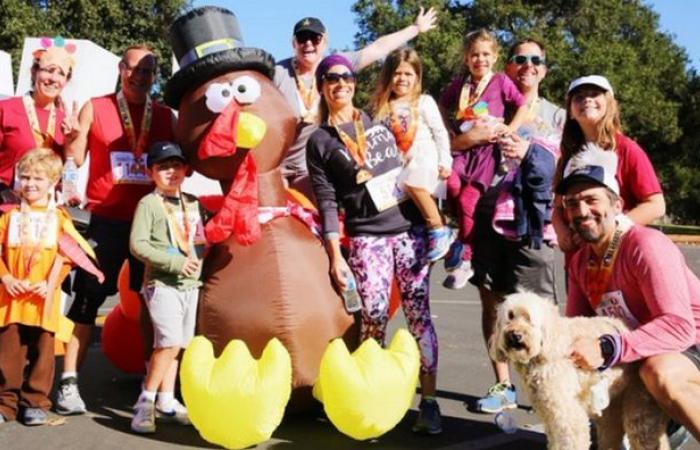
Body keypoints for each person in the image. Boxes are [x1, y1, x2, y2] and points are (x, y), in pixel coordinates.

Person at [307, 55, 442, 434]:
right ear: (322, 86)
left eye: (347, 77)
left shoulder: (377, 120)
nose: (341, 84)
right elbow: (327, 200)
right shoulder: (319, 141)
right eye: (332, 78)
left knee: (419, 316)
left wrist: (435, 215)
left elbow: (419, 153)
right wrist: (336, 254)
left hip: (408, 228)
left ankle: (429, 403)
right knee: (374, 316)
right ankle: (372, 400)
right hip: (367, 235)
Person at [59, 44, 175, 415]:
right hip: (106, 219)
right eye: (133, 70)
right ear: (120, 70)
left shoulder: (163, 115)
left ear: (154, 77)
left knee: (152, 304)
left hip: (150, 221)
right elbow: (74, 157)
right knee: (88, 299)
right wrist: (71, 136)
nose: (139, 77)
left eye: (147, 72)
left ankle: (152, 384)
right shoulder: (97, 105)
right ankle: (69, 381)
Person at [559, 153, 700, 443]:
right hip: (640, 353)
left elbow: (679, 327)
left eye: (591, 199)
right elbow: (576, 327)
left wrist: (608, 347)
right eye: (571, 204)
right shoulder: (579, 262)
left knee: (659, 372)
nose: (581, 211)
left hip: (688, 346)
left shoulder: (646, 245)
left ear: (617, 205)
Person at [464, 39, 564, 414]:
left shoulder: (557, 116)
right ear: (508, 66)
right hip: (489, 214)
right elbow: (462, 148)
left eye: (535, 59)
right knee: (493, 304)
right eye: (519, 59)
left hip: (532, 222)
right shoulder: (488, 106)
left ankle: (547, 387)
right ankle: (504, 385)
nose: (527, 65)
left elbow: (567, 167)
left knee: (538, 310)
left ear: (544, 69)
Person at [275, 7, 437, 200]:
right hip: (276, 165)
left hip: (310, 167)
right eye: (302, 39)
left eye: (315, 38)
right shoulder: (277, 73)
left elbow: (378, 48)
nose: (308, 44)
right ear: (293, 43)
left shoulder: (337, 66)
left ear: (325, 42)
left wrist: (415, 28)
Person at [0, 149, 98, 425]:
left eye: (37, 178)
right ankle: (6, 403)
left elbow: (68, 257)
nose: (30, 183)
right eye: (25, 177)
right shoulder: (7, 217)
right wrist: (6, 277)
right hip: (10, 300)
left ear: (54, 181)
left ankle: (35, 402)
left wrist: (50, 284)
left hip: (44, 301)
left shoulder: (60, 219)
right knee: (9, 354)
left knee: (43, 354)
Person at [438, 29, 529, 289]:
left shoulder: (500, 81)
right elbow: (442, 105)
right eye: (474, 55)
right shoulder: (461, 84)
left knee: (469, 199)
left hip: (487, 154)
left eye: (486, 54)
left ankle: (466, 256)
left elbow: (522, 105)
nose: (480, 59)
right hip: (463, 149)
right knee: (451, 184)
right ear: (466, 59)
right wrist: (447, 129)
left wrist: (510, 128)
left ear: (495, 56)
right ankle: (455, 234)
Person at [129, 141, 206, 433]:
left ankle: (167, 400)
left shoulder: (193, 202)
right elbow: (138, 244)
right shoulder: (148, 203)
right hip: (162, 283)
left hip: (190, 284)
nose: (170, 172)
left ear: (186, 170)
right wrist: (173, 264)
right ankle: (144, 403)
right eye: (162, 167)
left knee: (178, 346)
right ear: (151, 172)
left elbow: (199, 239)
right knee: (168, 342)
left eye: (176, 166)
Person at [552, 75, 665, 253]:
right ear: (570, 112)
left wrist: (612, 230)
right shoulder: (567, 156)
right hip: (579, 260)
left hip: (618, 255)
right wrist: (562, 233)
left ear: (609, 104)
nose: (587, 99)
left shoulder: (627, 149)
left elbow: (656, 205)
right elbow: (558, 207)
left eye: (595, 94)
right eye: (578, 97)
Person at [371, 48, 453, 261]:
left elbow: (440, 132)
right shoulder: (383, 108)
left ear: (417, 77)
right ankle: (451, 249)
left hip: (425, 157)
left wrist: (446, 160)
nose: (402, 79)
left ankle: (438, 229)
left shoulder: (424, 102)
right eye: (397, 73)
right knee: (407, 191)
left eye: (408, 74)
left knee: (413, 183)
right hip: (401, 162)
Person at [0, 43, 78, 189]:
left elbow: (68, 168)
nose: (54, 78)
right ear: (34, 72)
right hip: (6, 204)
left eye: (61, 73)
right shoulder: (6, 109)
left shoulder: (66, 121)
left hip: (45, 207)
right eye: (49, 70)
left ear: (66, 80)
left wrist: (71, 142)